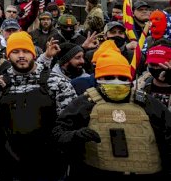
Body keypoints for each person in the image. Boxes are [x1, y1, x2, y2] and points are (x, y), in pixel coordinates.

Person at [54, 49, 171, 179]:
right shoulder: (85, 103)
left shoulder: (147, 103)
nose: (116, 82)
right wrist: (76, 136)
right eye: (109, 78)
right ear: (99, 79)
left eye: (122, 78)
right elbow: (58, 133)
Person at [0, 31, 75, 181]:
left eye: (26, 51)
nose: (21, 55)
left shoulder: (56, 82)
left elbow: (69, 122)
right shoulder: (0, 83)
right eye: (15, 52)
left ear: (33, 54)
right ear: (8, 55)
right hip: (11, 168)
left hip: (49, 168)